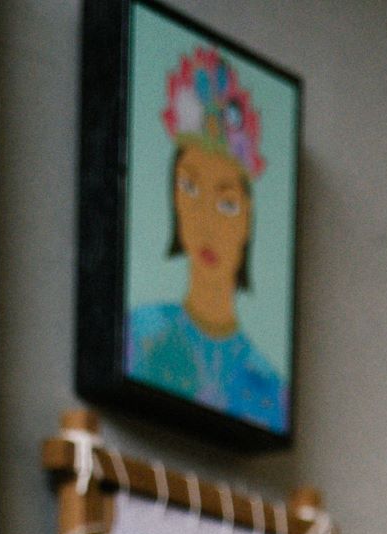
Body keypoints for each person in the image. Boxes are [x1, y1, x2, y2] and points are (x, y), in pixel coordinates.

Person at [125, 49, 288, 434]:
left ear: (248, 220)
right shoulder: (139, 333)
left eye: (227, 203)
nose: (206, 220)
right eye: (190, 186)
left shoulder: (267, 386)